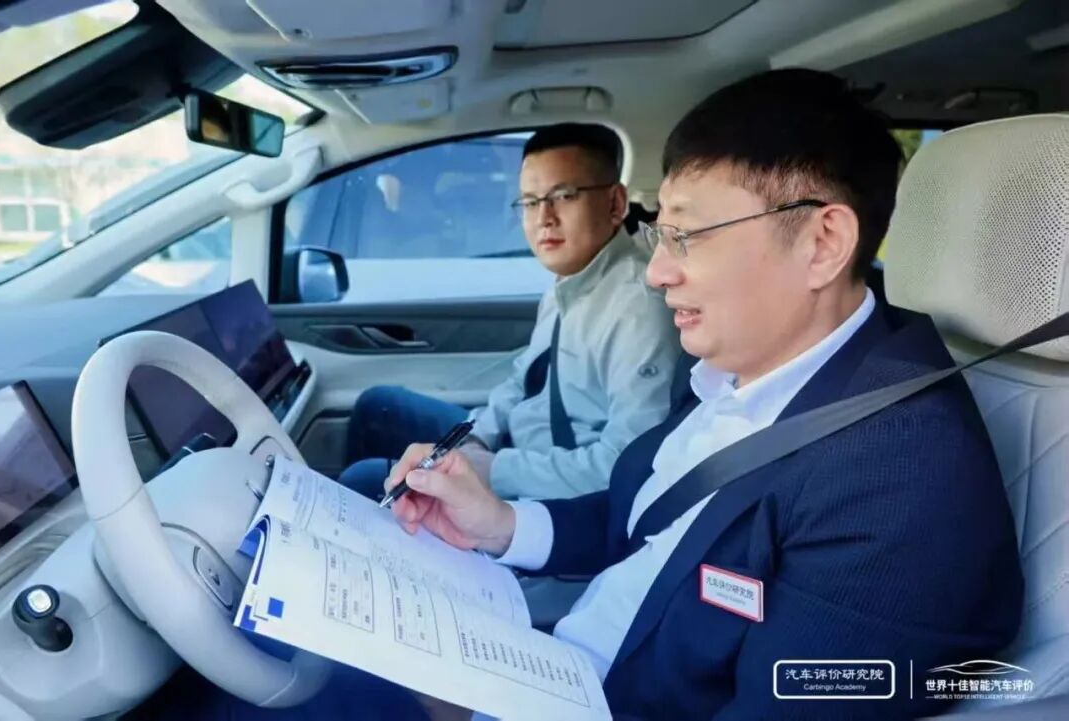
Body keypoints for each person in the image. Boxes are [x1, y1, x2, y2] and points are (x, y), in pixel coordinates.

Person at [142, 68, 1023, 721]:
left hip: (567, 693)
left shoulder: (901, 476)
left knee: (247, 688)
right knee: (257, 646)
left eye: (688, 236)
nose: (659, 270)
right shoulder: (763, 367)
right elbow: (641, 517)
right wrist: (499, 526)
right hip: (543, 660)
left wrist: (468, 695)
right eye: (661, 232)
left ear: (823, 242)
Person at [339, 123, 681, 503]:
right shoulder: (570, 280)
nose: (544, 217)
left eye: (563, 196)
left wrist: (491, 470)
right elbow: (523, 381)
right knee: (378, 406)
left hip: (555, 491)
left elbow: (624, 466)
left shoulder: (639, 309)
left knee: (362, 481)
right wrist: (477, 438)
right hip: (516, 447)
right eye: (531, 202)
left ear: (615, 204)